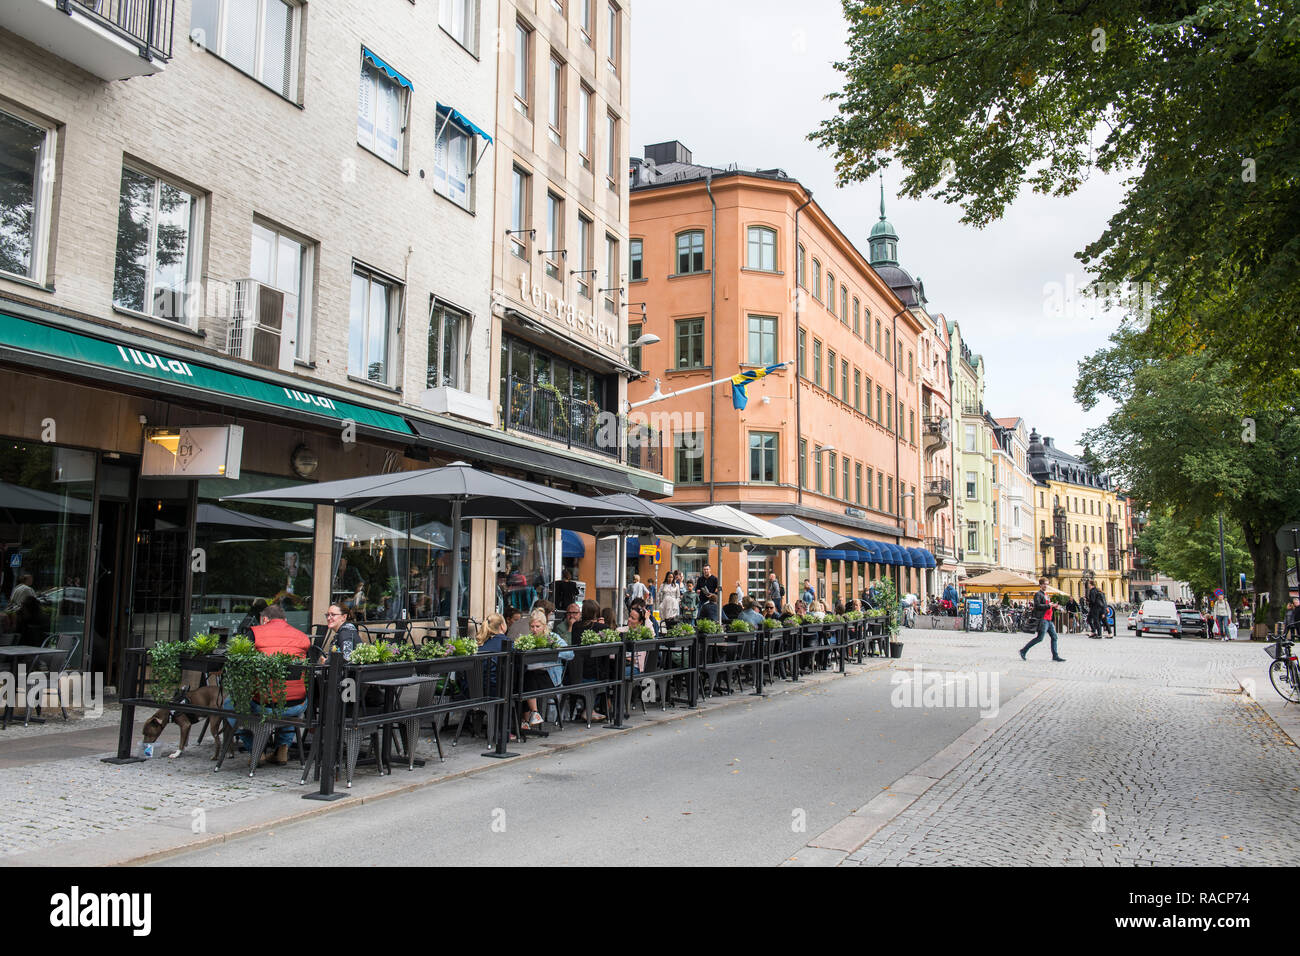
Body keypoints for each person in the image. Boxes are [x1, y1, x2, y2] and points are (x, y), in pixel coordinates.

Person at [226, 605, 311, 765]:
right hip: (298, 704)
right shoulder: (302, 637)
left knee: (230, 703)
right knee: (289, 702)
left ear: (264, 619)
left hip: (265, 703)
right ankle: (282, 749)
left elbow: (238, 661)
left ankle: (256, 750)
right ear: (285, 620)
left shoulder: (255, 633)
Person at [1020, 578, 1065, 662]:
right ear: (1040, 585)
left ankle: (1055, 656)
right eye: (1044, 584)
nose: (1046, 586)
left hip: (1049, 619)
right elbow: (1037, 606)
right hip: (1043, 619)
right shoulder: (1038, 594)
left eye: (1047, 584)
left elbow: (1048, 605)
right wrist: (1049, 605)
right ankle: (1023, 650)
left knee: (1054, 637)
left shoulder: (1046, 594)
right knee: (1040, 638)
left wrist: (1054, 606)